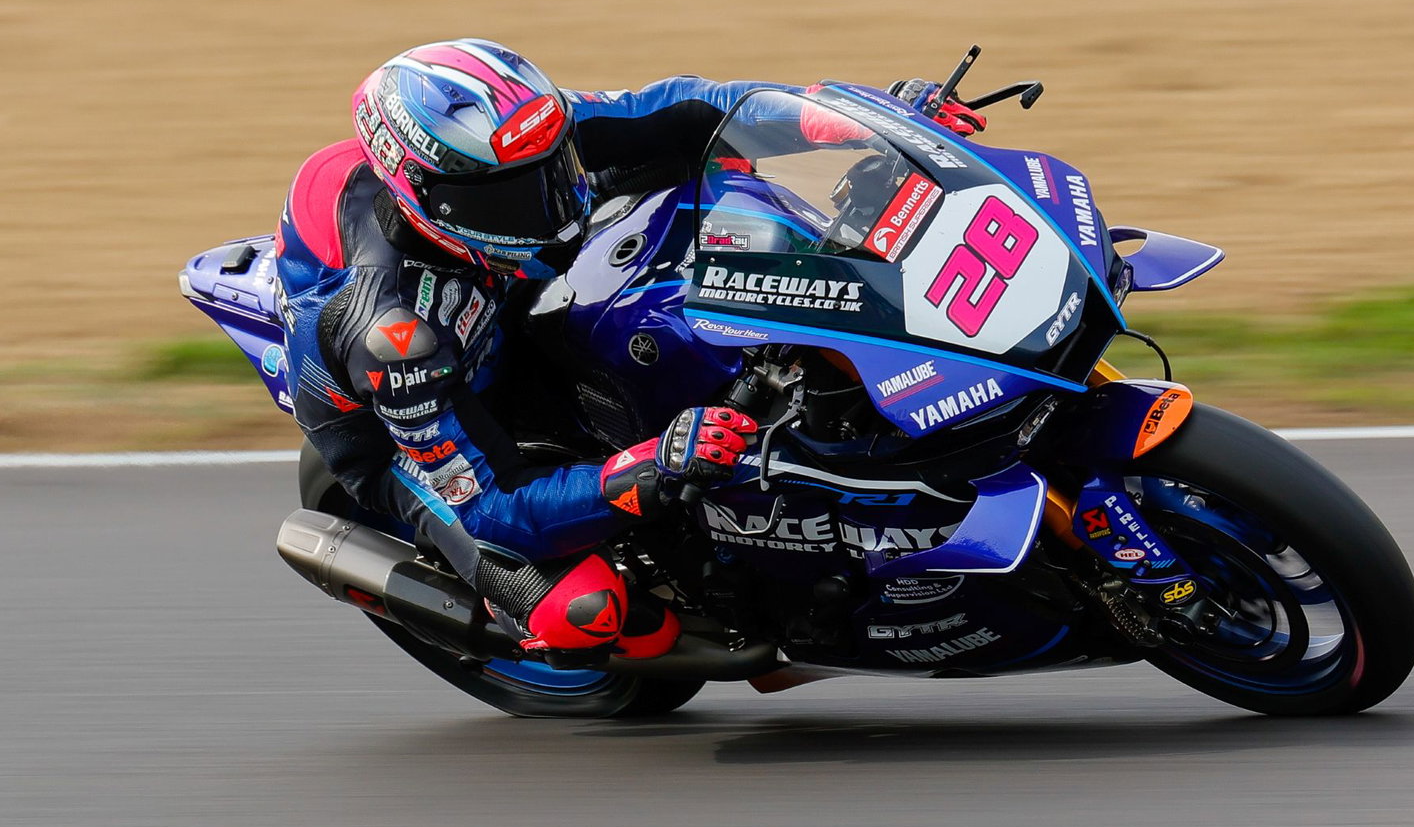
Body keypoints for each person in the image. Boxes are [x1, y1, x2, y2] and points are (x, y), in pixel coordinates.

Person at [275, 40, 985, 666]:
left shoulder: (513, 139)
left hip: (495, 300)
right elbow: (497, 505)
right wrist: (654, 460)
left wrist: (864, 122)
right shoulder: (392, 333)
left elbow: (685, 107)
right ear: (427, 196)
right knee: (588, 614)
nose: (553, 206)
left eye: (551, 170)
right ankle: (533, 617)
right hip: (408, 430)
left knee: (697, 199)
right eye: (514, 198)